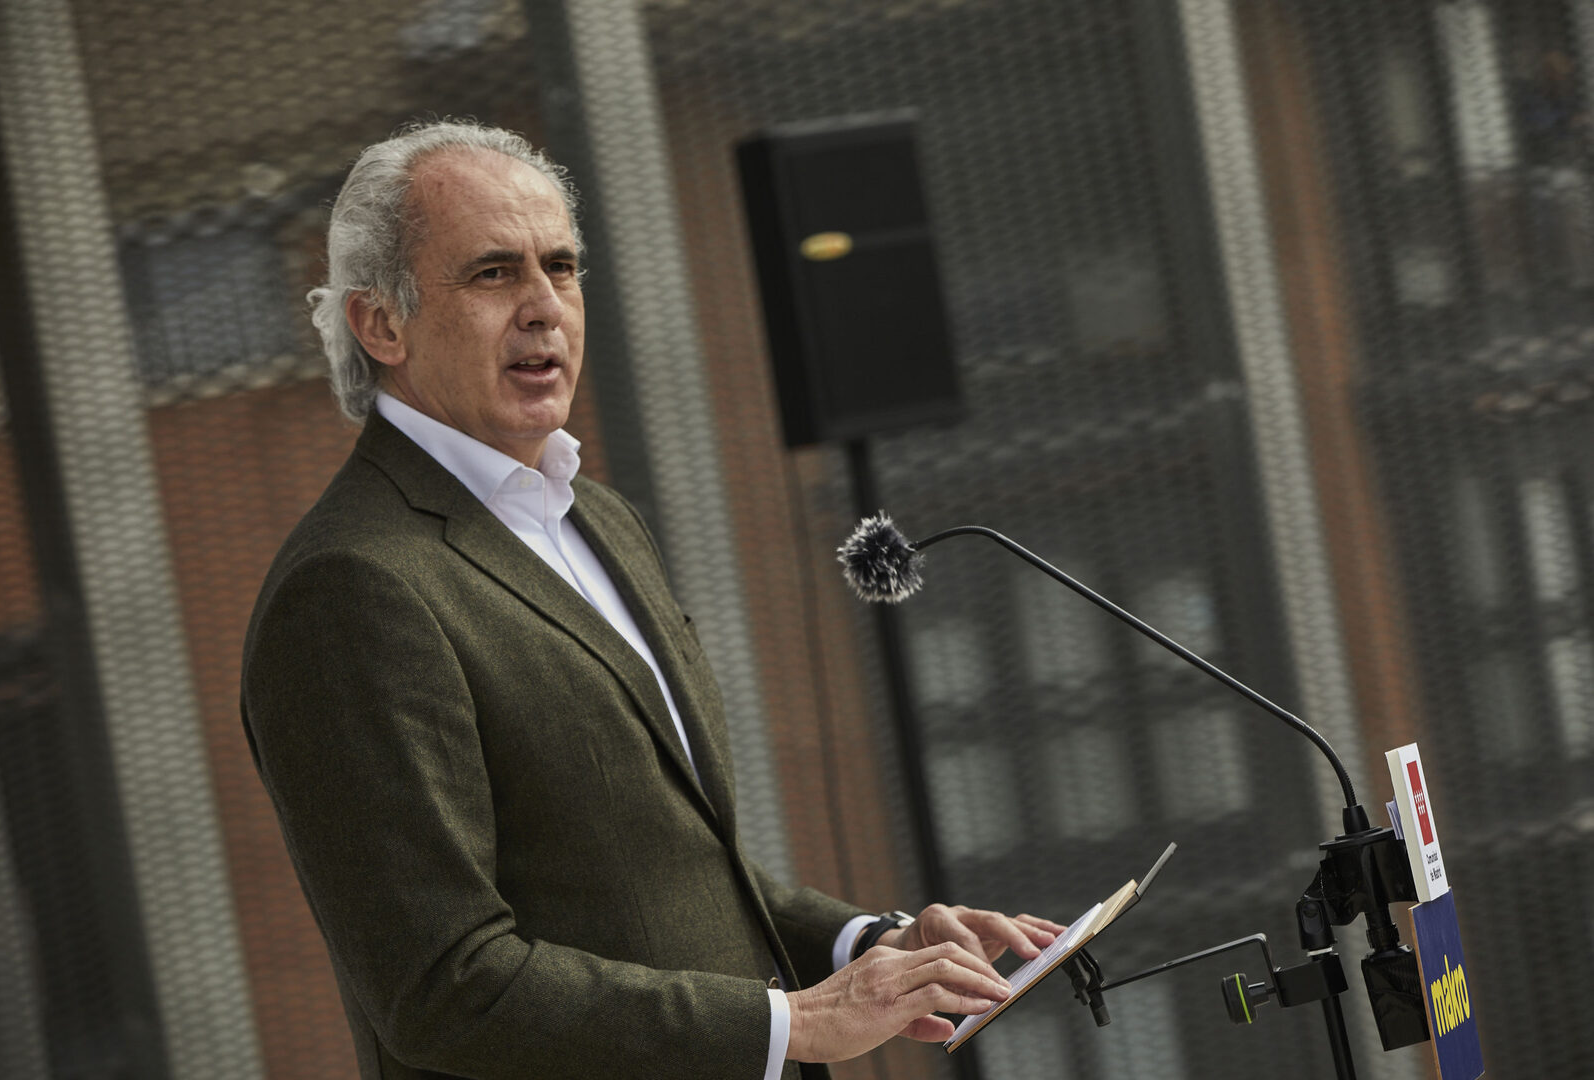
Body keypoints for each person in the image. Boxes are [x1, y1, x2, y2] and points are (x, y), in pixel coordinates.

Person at [241, 119, 1060, 1080]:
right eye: (494, 273)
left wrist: (869, 946)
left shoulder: (598, 516)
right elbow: (444, 988)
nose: (545, 307)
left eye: (562, 267)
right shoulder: (349, 590)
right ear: (382, 323)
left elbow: (666, 874)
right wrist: (793, 1025)